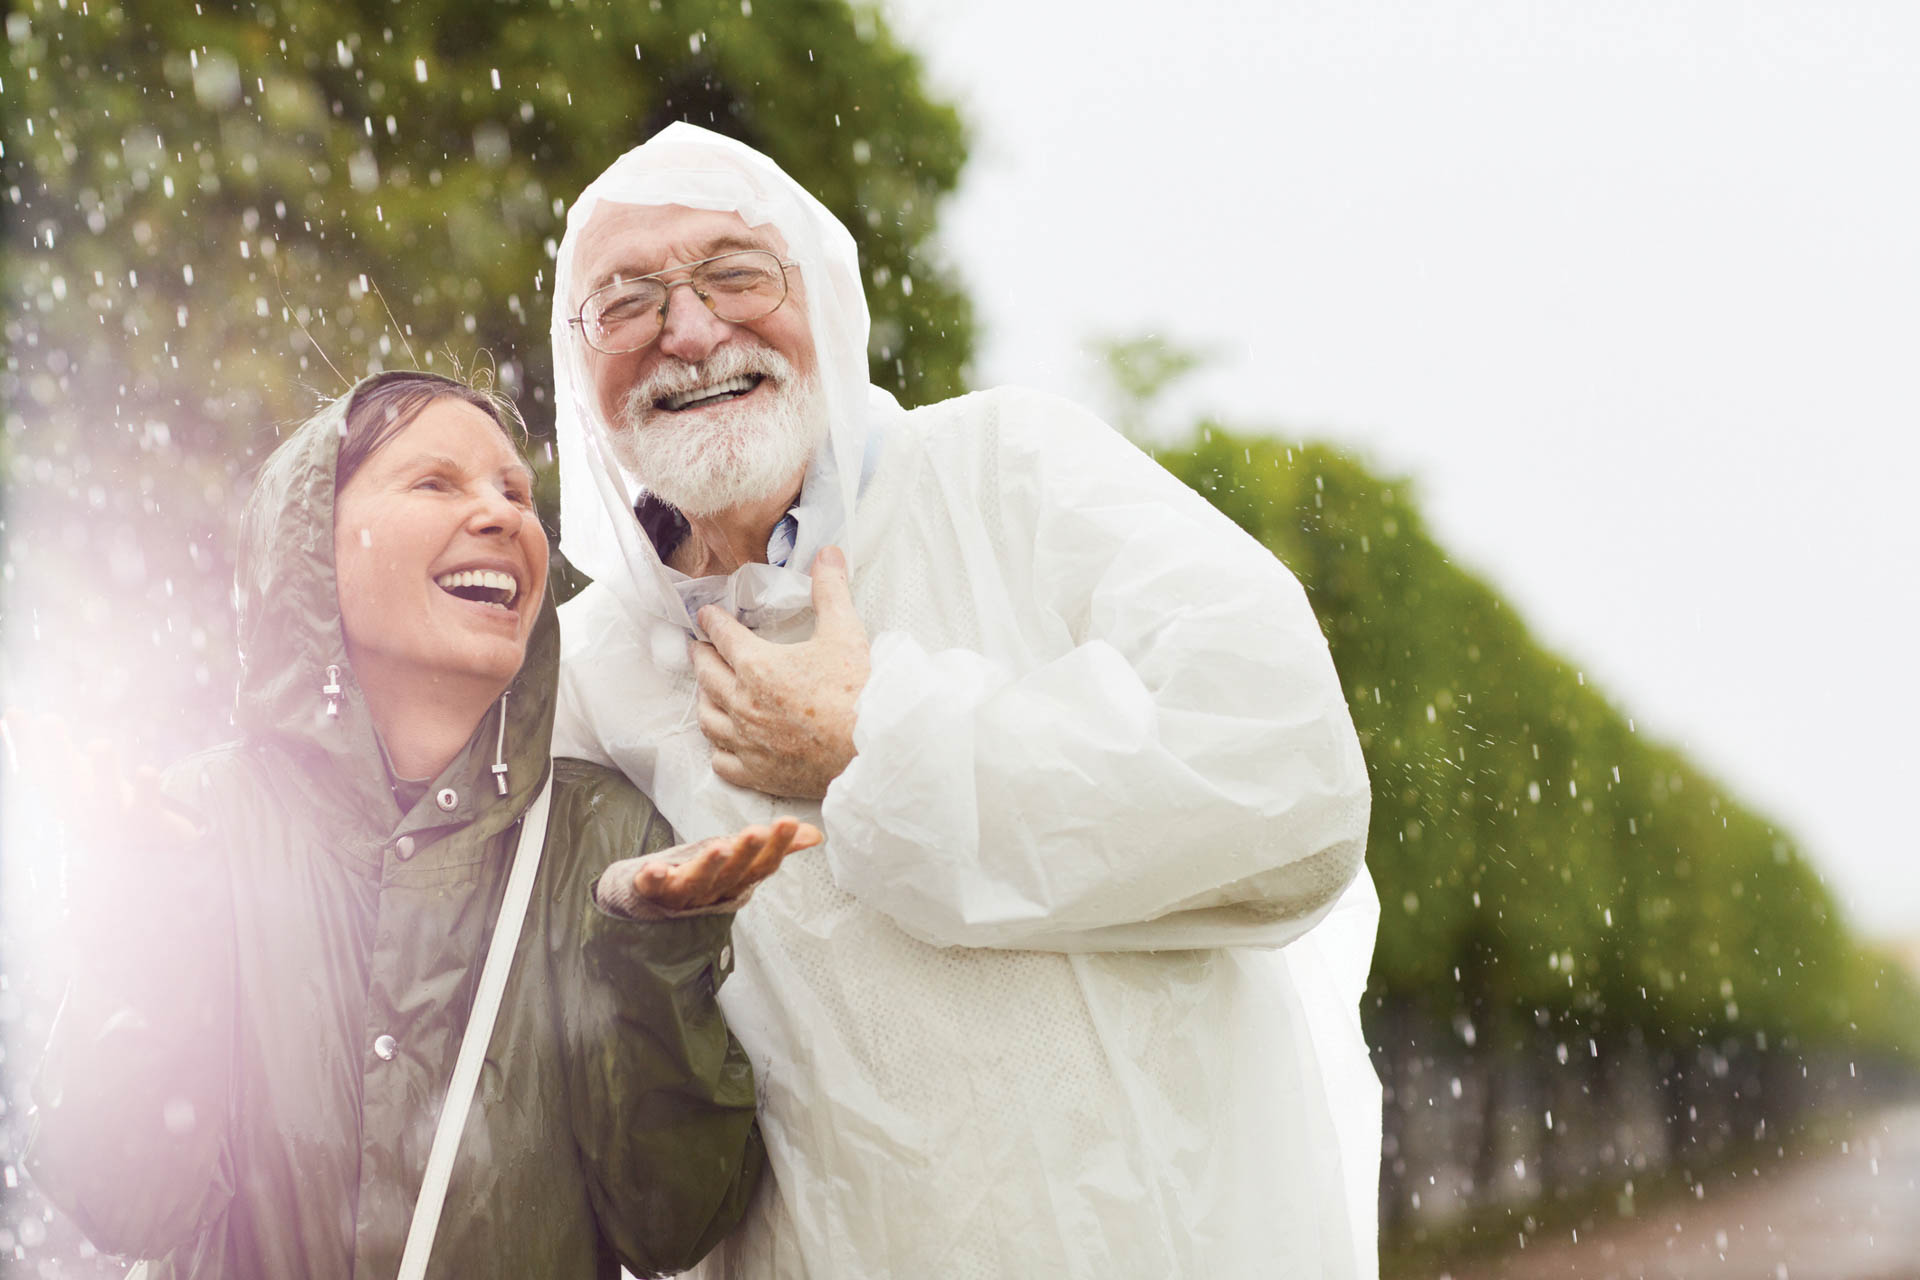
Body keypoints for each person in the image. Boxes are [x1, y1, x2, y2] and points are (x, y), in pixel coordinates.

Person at [549, 124, 1383, 1279]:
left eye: (736, 273)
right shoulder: (586, 674)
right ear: (575, 368)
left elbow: (1290, 782)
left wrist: (876, 737)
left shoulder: (1015, 471)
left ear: (829, 304)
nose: (688, 331)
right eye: (623, 301)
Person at [20, 369, 819, 1279]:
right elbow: (124, 1204)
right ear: (309, 549)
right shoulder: (196, 824)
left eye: (515, 492)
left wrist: (653, 966)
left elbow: (678, 1221)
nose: (503, 515)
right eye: (436, 483)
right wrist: (143, 934)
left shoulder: (603, 840)